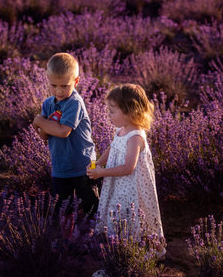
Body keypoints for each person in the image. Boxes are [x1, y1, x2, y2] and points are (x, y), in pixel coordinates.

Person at [86, 84, 166, 266]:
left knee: (141, 218)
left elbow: (129, 167)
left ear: (130, 111)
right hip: (119, 185)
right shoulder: (120, 131)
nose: (108, 115)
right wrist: (99, 162)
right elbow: (112, 147)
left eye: (112, 111)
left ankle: (157, 250)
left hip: (134, 188)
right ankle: (128, 252)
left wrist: (101, 173)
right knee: (122, 217)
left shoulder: (136, 136)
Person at [32, 52, 98, 237]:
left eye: (65, 86)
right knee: (64, 205)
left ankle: (94, 237)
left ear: (76, 81)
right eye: (54, 85)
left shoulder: (74, 102)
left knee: (91, 203)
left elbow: (62, 131)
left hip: (84, 164)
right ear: (47, 80)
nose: (59, 91)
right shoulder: (48, 103)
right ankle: (68, 239)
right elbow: (44, 135)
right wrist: (43, 125)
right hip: (61, 165)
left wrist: (39, 120)